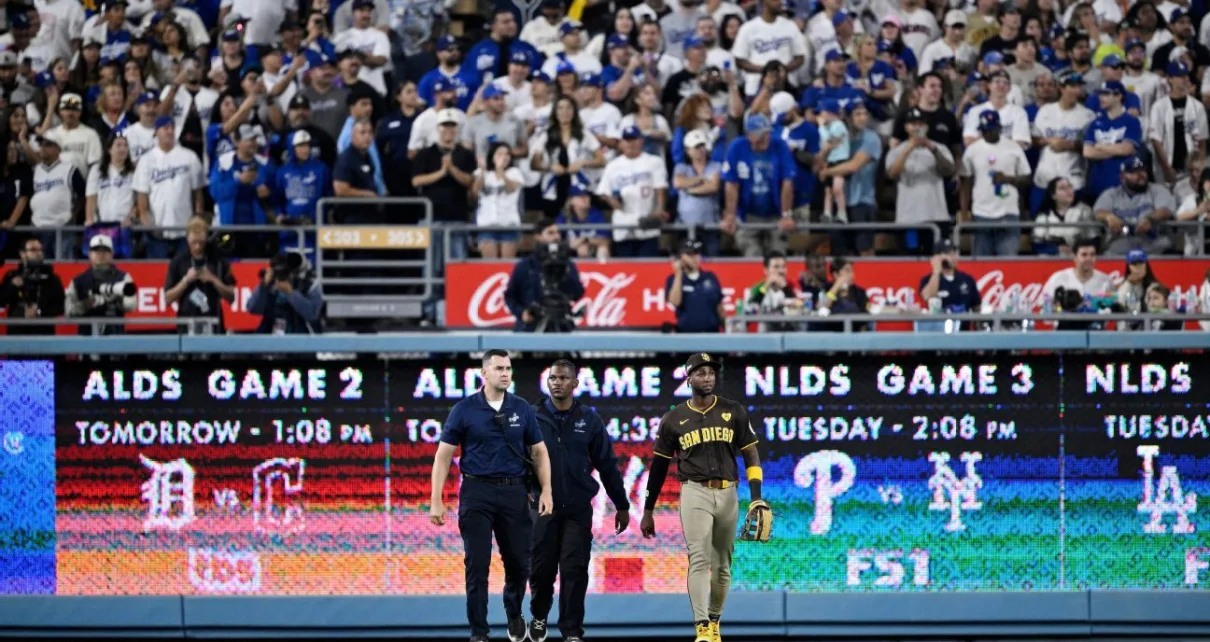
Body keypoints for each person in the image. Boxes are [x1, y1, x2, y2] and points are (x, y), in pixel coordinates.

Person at [429, 349, 554, 642]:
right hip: (476, 492)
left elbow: (539, 451)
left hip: (513, 492)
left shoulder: (521, 408)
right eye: (498, 368)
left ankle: (513, 611)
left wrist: (547, 489)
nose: (505, 373)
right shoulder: (464, 409)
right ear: (483, 374)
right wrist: (436, 499)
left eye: (508, 368)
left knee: (518, 563)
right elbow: (443, 456)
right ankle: (479, 633)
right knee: (476, 564)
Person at [641, 352, 764, 642]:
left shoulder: (733, 411)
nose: (707, 377)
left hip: (728, 491)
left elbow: (751, 453)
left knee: (722, 564)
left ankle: (715, 619)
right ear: (689, 378)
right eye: (700, 373)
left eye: (710, 373)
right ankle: (701, 627)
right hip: (694, 490)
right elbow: (658, 467)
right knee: (699, 558)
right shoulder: (673, 419)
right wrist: (649, 509)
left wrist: (756, 497)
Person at [527, 359, 631, 642]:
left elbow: (607, 465)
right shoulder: (531, 417)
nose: (557, 382)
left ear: (575, 383)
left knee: (574, 570)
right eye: (552, 378)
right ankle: (538, 617)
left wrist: (621, 505)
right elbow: (516, 459)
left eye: (563, 378)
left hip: (577, 509)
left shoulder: (590, 419)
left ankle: (572, 632)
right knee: (541, 571)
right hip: (541, 507)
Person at [721, 112, 796, 258]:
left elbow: (787, 182)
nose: (766, 139)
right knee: (751, 255)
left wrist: (786, 214)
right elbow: (731, 184)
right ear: (749, 135)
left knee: (778, 255)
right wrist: (731, 214)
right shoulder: (737, 147)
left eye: (767, 134)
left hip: (775, 212)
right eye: (761, 136)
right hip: (748, 213)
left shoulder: (780, 145)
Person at [885, 107, 957, 255]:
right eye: (913, 124)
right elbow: (892, 173)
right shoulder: (897, 151)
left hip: (936, 216)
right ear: (906, 127)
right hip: (908, 217)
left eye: (921, 123)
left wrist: (931, 148)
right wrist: (909, 148)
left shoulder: (939, 148)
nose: (917, 127)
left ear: (927, 126)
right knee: (910, 261)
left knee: (937, 260)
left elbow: (949, 171)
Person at [960, 110, 1031, 257]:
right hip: (981, 213)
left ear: (999, 127)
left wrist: (1008, 179)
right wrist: (964, 211)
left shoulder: (1013, 148)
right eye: (985, 130)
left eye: (991, 130)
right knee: (980, 264)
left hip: (1008, 212)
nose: (988, 133)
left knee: (1009, 263)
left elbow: (1027, 178)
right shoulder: (972, 150)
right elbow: (966, 182)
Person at [133, 115, 205, 259]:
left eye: (172, 128)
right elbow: (142, 201)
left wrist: (197, 220)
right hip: (157, 232)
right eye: (165, 128)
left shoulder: (189, 157)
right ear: (156, 132)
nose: (170, 131)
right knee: (157, 277)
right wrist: (148, 226)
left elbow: (198, 193)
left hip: (185, 231)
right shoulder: (146, 160)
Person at [596, 126, 668, 257]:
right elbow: (603, 192)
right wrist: (612, 201)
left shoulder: (654, 161)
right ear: (622, 143)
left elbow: (660, 187)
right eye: (627, 140)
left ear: (641, 141)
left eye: (634, 140)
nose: (631, 144)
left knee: (648, 268)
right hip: (623, 225)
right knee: (626, 267)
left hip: (646, 221)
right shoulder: (613, 165)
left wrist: (659, 209)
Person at [503, 219, 587, 332]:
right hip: (531, 327)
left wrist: (565, 274)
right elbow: (510, 295)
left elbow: (578, 293)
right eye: (550, 233)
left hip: (561, 324)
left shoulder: (568, 264)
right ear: (538, 236)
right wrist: (522, 313)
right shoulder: (525, 266)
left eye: (557, 233)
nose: (556, 237)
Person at [164, 217, 235, 334]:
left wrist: (212, 279)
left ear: (206, 238)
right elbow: (167, 299)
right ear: (187, 239)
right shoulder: (178, 261)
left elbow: (231, 297)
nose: (197, 247)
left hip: (214, 323)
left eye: (201, 243)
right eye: (194, 242)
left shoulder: (218, 261)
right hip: (186, 324)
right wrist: (186, 280)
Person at [1093, 155, 1176, 255]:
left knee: (1165, 245)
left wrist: (1150, 219)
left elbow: (1165, 210)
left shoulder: (1157, 190)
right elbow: (1098, 211)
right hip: (1122, 243)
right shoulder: (1112, 194)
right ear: (1122, 177)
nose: (1141, 175)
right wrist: (1108, 216)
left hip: (1153, 243)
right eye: (1133, 172)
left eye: (1142, 170)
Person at [65, 235, 136, 336]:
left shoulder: (123, 277)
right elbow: (69, 310)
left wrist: (117, 300)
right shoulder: (78, 281)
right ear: (89, 254)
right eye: (96, 251)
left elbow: (131, 305)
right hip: (87, 334)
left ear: (112, 254)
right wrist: (84, 305)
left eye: (105, 251)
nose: (100, 254)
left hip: (115, 332)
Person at [246, 251, 325, 334]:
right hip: (272, 337)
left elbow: (312, 314)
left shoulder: (308, 284)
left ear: (294, 273)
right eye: (279, 274)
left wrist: (291, 293)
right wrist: (263, 286)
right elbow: (252, 308)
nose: (282, 277)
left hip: (301, 337)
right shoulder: (269, 285)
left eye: (286, 273)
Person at [0, 237, 65, 335]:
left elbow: (61, 306)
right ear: (22, 254)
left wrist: (39, 311)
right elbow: (1, 302)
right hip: (17, 335)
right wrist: (12, 286)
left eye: (40, 250)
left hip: (44, 334)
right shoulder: (12, 276)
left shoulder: (51, 278)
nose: (38, 253)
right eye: (33, 250)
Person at [666, 238, 724, 333]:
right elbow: (675, 302)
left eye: (697, 254)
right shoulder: (673, 279)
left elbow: (719, 307)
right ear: (680, 257)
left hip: (712, 334)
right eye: (689, 255)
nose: (695, 258)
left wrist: (728, 331)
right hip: (687, 335)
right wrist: (679, 273)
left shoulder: (710, 277)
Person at [919, 238, 981, 325]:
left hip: (963, 333)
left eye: (954, 253)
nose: (953, 257)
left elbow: (977, 307)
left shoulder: (967, 279)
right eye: (948, 254)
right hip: (939, 331)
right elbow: (927, 296)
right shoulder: (927, 279)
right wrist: (936, 272)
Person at [743, 250, 803, 331]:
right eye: (776, 267)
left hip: (791, 335)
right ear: (766, 270)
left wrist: (785, 288)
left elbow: (802, 309)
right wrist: (766, 287)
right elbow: (749, 313)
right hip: (766, 337)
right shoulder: (758, 288)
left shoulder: (793, 286)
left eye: (784, 267)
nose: (781, 271)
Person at [1042, 238, 1116, 300]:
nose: (1089, 259)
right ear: (1075, 257)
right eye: (1084, 255)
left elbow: (1114, 309)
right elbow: (1045, 307)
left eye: (1092, 255)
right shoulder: (1058, 278)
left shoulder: (1106, 281)